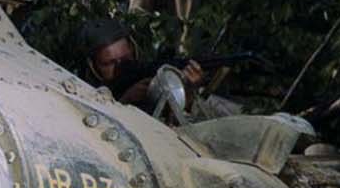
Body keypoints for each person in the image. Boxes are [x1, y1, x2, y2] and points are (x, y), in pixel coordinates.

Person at [78, 18, 237, 119]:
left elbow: (227, 121)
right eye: (109, 63)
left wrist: (188, 95)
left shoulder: (148, 74)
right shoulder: (82, 96)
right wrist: (124, 102)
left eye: (126, 59)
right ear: (93, 67)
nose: (122, 67)